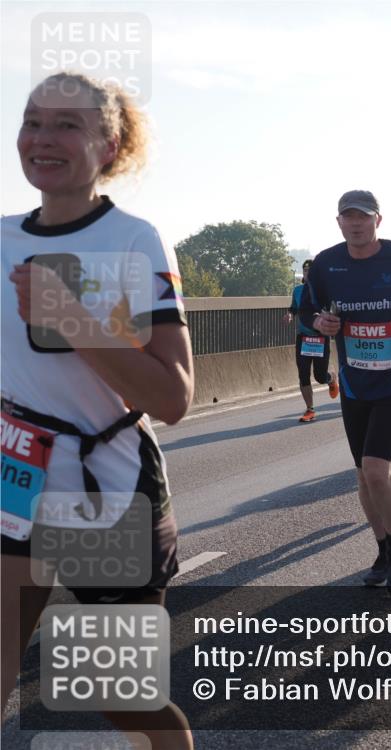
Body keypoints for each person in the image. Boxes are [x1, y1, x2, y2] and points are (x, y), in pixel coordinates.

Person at [2, 73, 194, 749]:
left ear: (109, 146)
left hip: (102, 494)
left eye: (66, 125)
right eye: (32, 121)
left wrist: (71, 319)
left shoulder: (133, 241)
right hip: (12, 487)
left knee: (119, 696)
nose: (42, 138)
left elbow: (172, 398)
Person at [305, 190, 391, 592]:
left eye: (363, 217)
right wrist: (319, 321)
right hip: (354, 381)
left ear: (377, 221)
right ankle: (384, 549)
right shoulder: (326, 263)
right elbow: (305, 307)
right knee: (364, 477)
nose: (356, 224)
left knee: (374, 467)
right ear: (339, 223)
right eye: (348, 218)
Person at [284, 258, 338, 422]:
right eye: (305, 270)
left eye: (311, 270)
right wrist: (290, 315)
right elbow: (294, 308)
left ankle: (331, 379)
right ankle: (310, 409)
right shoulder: (298, 290)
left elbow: (334, 308)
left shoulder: (325, 290)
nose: (308, 273)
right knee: (303, 374)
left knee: (320, 377)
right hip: (304, 337)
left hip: (320, 338)